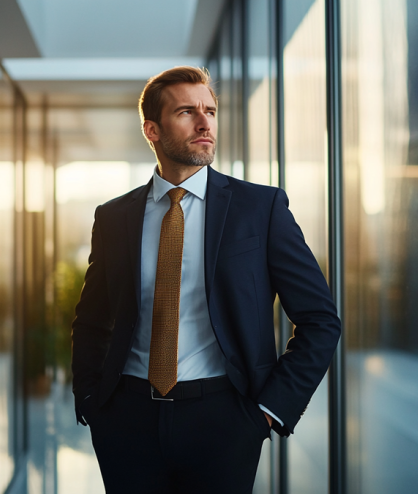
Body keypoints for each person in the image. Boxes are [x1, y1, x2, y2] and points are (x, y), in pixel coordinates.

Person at [71, 66, 341, 494]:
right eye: (186, 112)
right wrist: (91, 400)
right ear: (152, 129)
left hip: (225, 420)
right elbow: (92, 320)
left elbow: (321, 320)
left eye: (210, 111)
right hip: (127, 420)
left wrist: (268, 411)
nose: (204, 123)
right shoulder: (114, 217)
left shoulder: (261, 208)